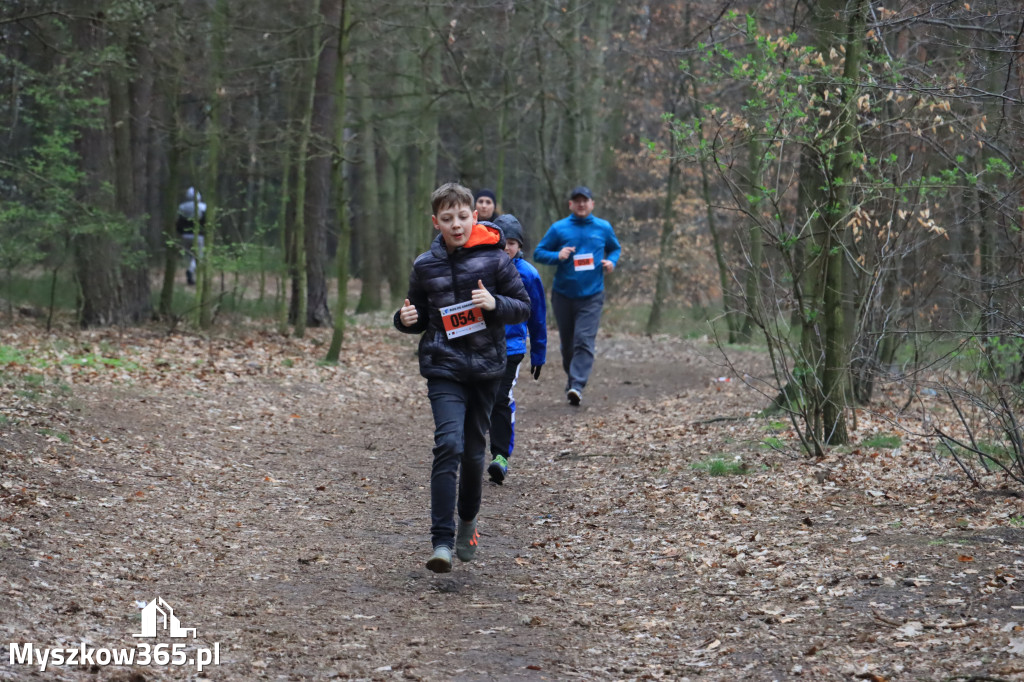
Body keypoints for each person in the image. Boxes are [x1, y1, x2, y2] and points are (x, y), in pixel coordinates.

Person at [394, 182, 531, 574]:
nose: (457, 225)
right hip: (444, 367)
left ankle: (467, 523)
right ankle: (441, 541)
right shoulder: (425, 265)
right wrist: (404, 320)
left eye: (463, 216)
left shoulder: (496, 260)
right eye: (448, 218)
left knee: (474, 455)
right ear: (436, 222)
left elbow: (522, 307)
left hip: (487, 370)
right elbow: (416, 312)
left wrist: (493, 304)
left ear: (476, 216)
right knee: (448, 444)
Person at [533, 185, 621, 407]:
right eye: (577, 201)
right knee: (568, 345)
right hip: (563, 295)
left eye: (585, 200)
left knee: (584, 339)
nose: (582, 204)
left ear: (592, 204)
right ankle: (573, 381)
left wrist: (612, 262)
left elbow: (615, 248)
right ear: (571, 204)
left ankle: (578, 384)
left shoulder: (603, 227)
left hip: (592, 294)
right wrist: (557, 255)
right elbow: (538, 253)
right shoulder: (559, 228)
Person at [487, 214, 547, 485]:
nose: (506, 248)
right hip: (482, 345)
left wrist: (539, 353)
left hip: (512, 347)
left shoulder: (529, 274)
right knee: (481, 398)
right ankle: (469, 450)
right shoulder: (482, 268)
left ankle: (500, 456)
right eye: (502, 243)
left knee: (501, 396)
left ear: (519, 245)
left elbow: (537, 318)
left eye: (512, 243)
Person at [175, 187, 206, 286]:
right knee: (198, 256)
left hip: (185, 235)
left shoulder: (182, 207)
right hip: (198, 236)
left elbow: (178, 222)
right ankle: (190, 271)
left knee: (188, 256)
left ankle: (190, 275)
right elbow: (206, 222)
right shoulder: (203, 207)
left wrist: (180, 232)